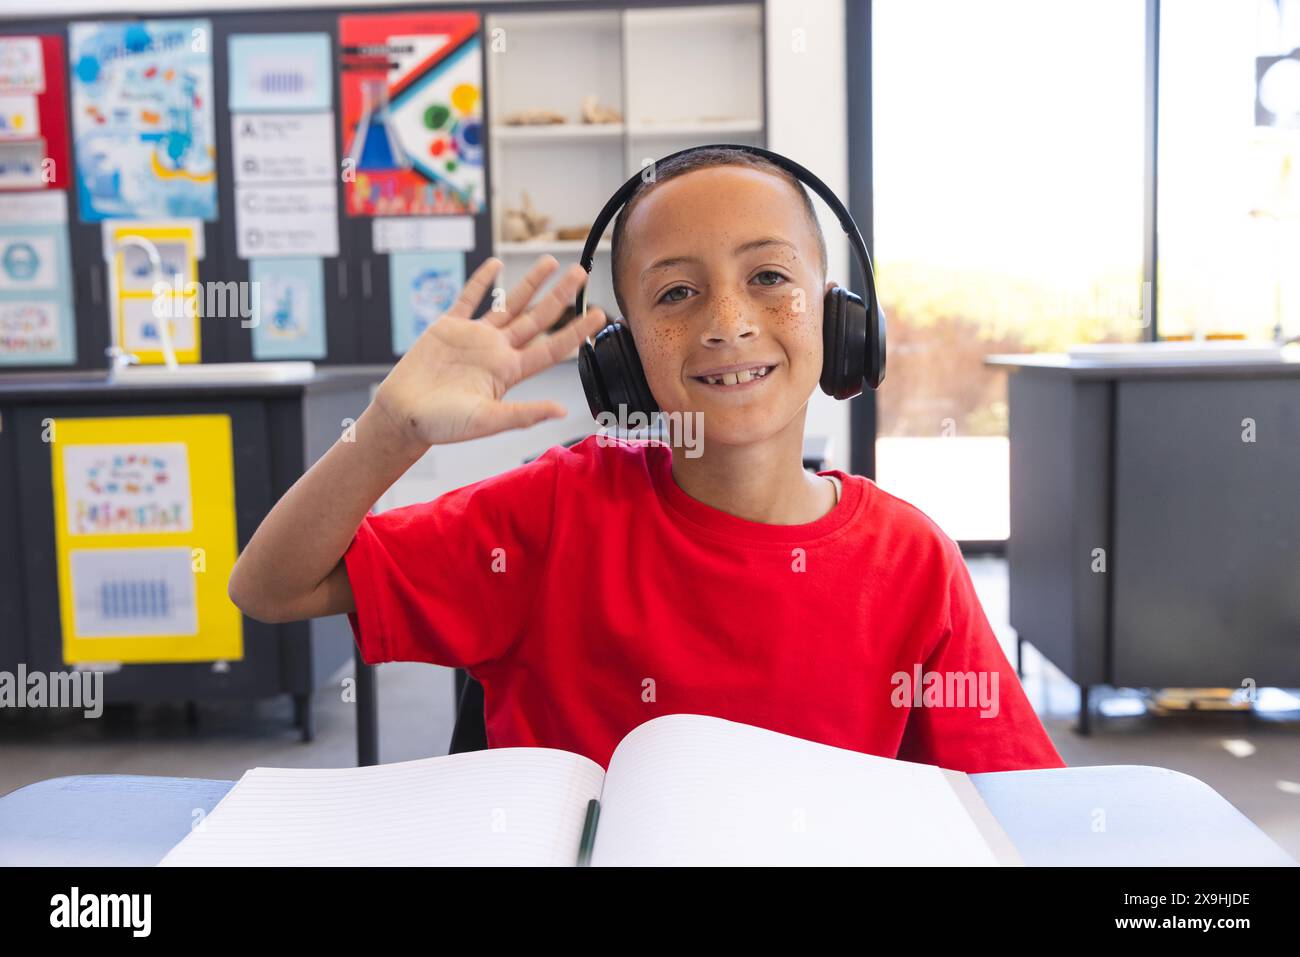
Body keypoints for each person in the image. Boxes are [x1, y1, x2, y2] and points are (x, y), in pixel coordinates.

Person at [229, 147, 1065, 774]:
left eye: (769, 275)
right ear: (621, 360)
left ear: (842, 319)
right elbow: (268, 585)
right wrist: (389, 429)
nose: (728, 321)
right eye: (675, 292)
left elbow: (1016, 803)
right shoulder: (557, 512)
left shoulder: (910, 560)